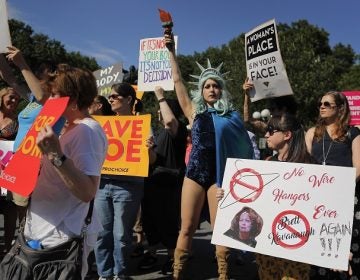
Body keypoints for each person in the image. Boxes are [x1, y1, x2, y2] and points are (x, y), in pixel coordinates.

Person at [0, 65, 107, 279]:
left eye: (56, 94)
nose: (50, 99)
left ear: (73, 98)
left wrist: (55, 155)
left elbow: (87, 191)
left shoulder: (87, 132)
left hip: (59, 237)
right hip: (40, 230)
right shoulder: (69, 127)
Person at [165, 32, 254, 280]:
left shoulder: (231, 115)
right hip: (194, 174)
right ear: (201, 91)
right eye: (207, 85)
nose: (212, 89)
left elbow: (245, 133)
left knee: (220, 230)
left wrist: (247, 95)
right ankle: (177, 274)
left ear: (221, 90)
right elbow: (177, 80)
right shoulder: (193, 112)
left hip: (219, 177)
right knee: (186, 228)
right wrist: (171, 52)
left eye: (216, 85)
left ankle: (224, 275)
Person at [305, 91, 360, 280]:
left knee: (343, 251)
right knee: (318, 248)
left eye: (327, 104)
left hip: (344, 200)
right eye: (320, 103)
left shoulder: (353, 133)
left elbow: (358, 168)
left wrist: (337, 193)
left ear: (340, 108)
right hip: (317, 201)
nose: (322, 106)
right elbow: (303, 167)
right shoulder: (312, 133)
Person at [94, 82, 144, 280]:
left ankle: (119, 274)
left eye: (115, 96)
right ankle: (104, 274)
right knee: (101, 234)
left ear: (129, 100)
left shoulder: (142, 124)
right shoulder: (103, 124)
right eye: (110, 97)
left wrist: (148, 149)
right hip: (102, 185)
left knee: (121, 236)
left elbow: (153, 159)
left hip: (128, 187)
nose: (111, 100)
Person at [139, 86, 187, 274]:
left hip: (169, 184)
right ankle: (151, 253)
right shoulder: (159, 134)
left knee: (168, 223)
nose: (159, 112)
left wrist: (160, 96)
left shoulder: (178, 130)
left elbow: (169, 121)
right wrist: (149, 150)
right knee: (150, 221)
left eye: (163, 109)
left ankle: (171, 257)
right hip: (152, 182)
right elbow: (153, 161)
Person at [0, 87, 20, 253]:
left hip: (8, 170)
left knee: (10, 211)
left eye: (17, 100)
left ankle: (7, 249)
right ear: (2, 97)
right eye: (11, 98)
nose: (14, 102)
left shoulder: (19, 122)